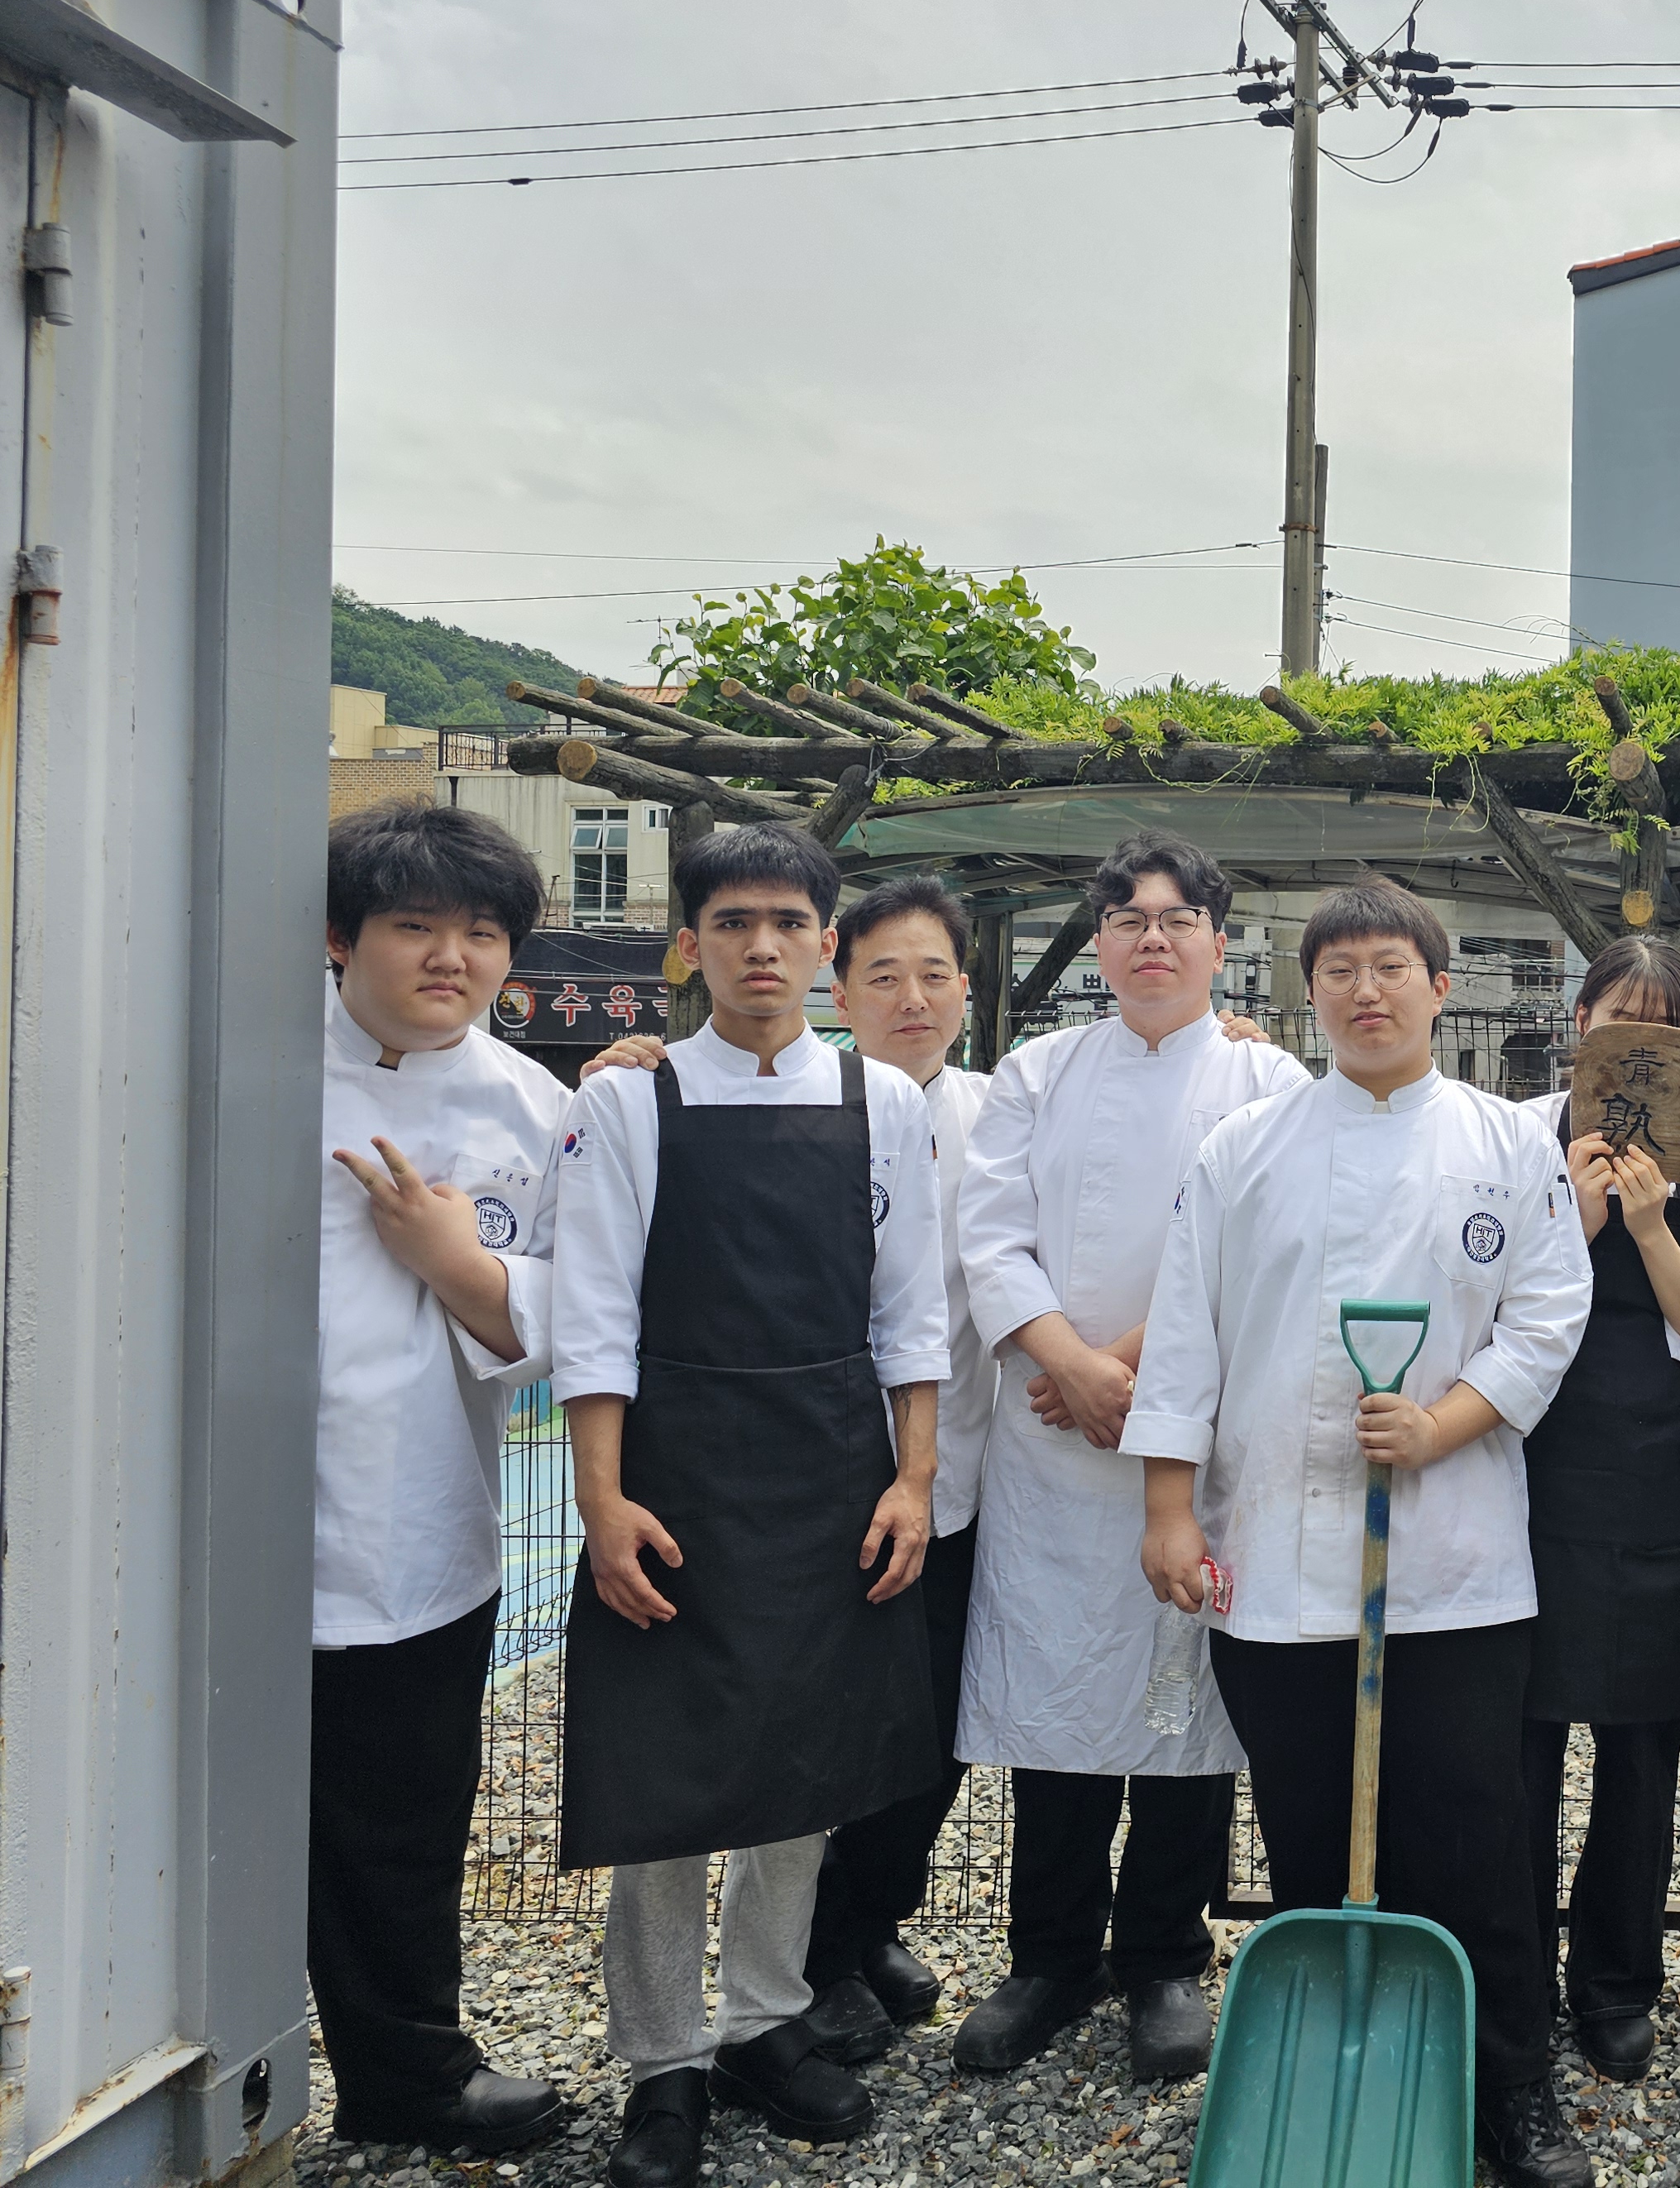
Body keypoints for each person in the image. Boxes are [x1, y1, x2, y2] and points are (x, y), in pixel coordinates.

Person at [1128, 880, 1598, 2188]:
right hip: (1276, 1558)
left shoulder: (1508, 1144)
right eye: (1338, 971)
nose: (1365, 992)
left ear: (1441, 989)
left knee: (1478, 1832)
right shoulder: (1245, 1150)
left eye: (1391, 967)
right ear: (1311, 993)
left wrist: (1445, 1423)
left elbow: (1547, 1317)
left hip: (1453, 1567)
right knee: (1307, 1827)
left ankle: (1511, 2083)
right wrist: (1168, 1505)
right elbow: (1185, 1334)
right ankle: (1331, 2068)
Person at [550, 824, 950, 2188]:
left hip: (831, 1472)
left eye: (788, 923)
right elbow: (592, 1319)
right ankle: (661, 2060)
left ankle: (763, 2021)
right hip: (675, 1477)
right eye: (733, 923)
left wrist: (913, 1477)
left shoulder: (883, 1103)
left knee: (801, 1774)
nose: (762, 947)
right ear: (691, 946)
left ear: (825, 946)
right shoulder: (626, 1104)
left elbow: (912, 1312)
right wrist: (602, 1502)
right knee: (662, 1786)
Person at [950, 832, 1309, 2078]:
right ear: (1097, 942)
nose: (1152, 938)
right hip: (1051, 1443)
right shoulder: (1035, 1073)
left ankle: (1164, 1954)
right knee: (1054, 1701)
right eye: (1127, 918)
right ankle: (1048, 1956)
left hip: (1196, 1446)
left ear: (1220, 939)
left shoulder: (1270, 1082)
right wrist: (1067, 1360)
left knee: (1186, 1707)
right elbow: (990, 1237)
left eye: (1177, 918)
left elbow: (1257, 1248)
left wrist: (1130, 1370)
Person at [308, 804, 571, 2157]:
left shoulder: (536, 1108)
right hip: (224, 1520)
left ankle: (405, 2076)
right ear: (339, 935)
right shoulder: (250, 1069)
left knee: (403, 1823)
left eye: (481, 932)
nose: (451, 957)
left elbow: (576, 1317)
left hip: (417, 1522)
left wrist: (458, 1264)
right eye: (414, 925)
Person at [1511, 935, 1680, 2082]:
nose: (1635, 1043)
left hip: (1654, 1468)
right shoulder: (1518, 1135)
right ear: (1581, 1023)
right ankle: (1509, 1975)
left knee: (1643, 1748)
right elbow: (1482, 1294)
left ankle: (1616, 1982)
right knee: (1517, 1742)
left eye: (1661, 1026)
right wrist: (1580, 1213)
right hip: (1526, 1467)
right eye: (1617, 1020)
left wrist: (1648, 1225)